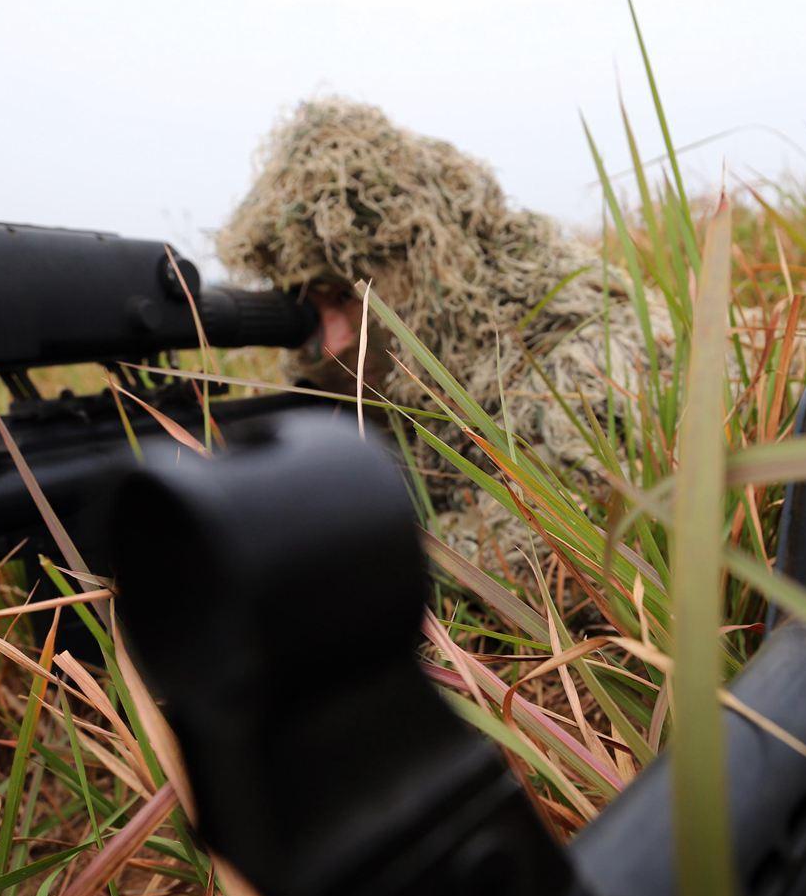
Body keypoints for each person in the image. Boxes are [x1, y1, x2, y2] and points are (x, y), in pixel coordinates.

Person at [216, 97, 670, 569]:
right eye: (303, 306)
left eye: (343, 298)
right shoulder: (362, 397)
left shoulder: (589, 354)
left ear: (426, 274)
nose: (328, 348)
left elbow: (549, 559)